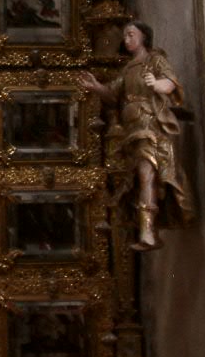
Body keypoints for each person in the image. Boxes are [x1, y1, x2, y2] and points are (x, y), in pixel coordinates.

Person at [79, 21, 195, 250]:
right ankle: (147, 231)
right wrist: (96, 87)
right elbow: (113, 94)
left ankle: (148, 232)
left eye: (131, 35)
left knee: (147, 173)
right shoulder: (129, 68)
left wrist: (158, 84)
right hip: (132, 129)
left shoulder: (155, 59)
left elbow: (171, 83)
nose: (127, 40)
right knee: (141, 176)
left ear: (144, 37)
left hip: (150, 125)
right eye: (125, 36)